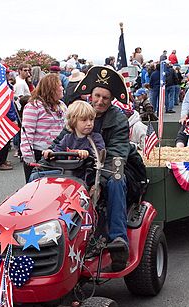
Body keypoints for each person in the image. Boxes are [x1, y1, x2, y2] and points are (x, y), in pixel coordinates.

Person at [62, 66, 147, 271]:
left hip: (118, 166)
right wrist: (49, 156)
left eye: (105, 98)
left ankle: (118, 240)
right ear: (90, 95)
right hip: (84, 167)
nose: (100, 101)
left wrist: (99, 183)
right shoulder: (80, 112)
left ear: (111, 101)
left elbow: (117, 155)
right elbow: (63, 140)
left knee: (116, 181)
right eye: (97, 96)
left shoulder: (117, 119)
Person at [39, 101, 105, 182]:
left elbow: (99, 154)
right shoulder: (67, 138)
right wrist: (50, 153)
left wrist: (87, 153)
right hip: (66, 173)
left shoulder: (95, 138)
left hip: (86, 175)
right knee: (37, 176)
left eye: (91, 120)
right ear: (73, 122)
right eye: (84, 120)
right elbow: (58, 150)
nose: (89, 123)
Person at [20, 73, 67, 182]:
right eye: (60, 86)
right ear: (51, 88)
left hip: (59, 154)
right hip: (39, 155)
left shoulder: (62, 106)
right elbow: (27, 133)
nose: (62, 88)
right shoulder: (33, 106)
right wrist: (29, 158)